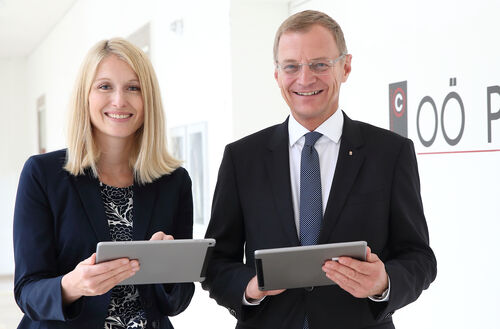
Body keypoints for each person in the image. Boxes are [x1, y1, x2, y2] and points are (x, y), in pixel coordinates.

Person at [203, 10, 437, 329]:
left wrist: (384, 282)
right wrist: (250, 288)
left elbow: (419, 258)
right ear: (276, 74)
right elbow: (216, 262)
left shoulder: (390, 153)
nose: (304, 78)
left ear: (346, 67)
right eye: (291, 66)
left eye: (319, 64)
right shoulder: (242, 158)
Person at [13, 38, 194, 329]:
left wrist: (168, 269)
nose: (119, 100)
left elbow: (179, 301)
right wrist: (73, 285)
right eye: (104, 86)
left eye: (133, 88)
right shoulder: (42, 174)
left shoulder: (174, 181)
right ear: (85, 95)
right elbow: (27, 292)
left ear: (148, 98)